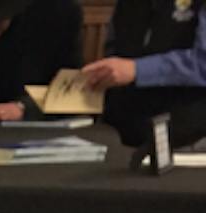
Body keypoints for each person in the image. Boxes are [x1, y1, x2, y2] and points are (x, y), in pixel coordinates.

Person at [82, 0, 206, 145]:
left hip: (185, 132)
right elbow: (115, 45)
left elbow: (202, 63)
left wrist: (137, 69)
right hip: (117, 127)